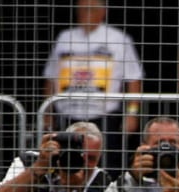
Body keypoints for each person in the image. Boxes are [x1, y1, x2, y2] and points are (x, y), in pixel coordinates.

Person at [43, 0, 145, 166]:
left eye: (91, 9)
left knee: (105, 166)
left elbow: (133, 78)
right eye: (82, 9)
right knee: (65, 165)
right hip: (67, 116)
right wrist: (47, 113)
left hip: (104, 117)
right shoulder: (65, 37)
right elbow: (50, 77)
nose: (85, 13)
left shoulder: (119, 39)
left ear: (103, 11)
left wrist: (132, 113)